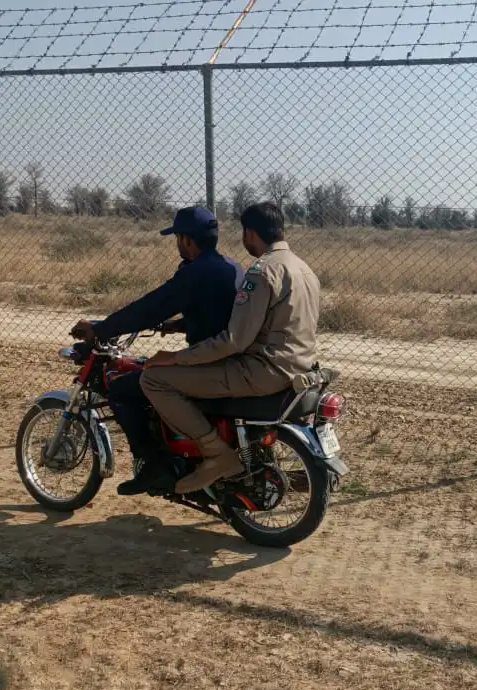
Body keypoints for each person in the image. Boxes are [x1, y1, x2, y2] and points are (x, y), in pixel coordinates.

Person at [140, 201, 321, 494]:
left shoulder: (262, 272)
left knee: (153, 379)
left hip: (261, 371)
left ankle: (216, 454)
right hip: (300, 368)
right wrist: (181, 326)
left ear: (250, 233)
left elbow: (234, 340)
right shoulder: (304, 268)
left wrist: (176, 357)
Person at [69, 205, 244, 496]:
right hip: (228, 358)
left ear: (187, 239)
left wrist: (100, 329)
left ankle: (153, 464)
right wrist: (179, 325)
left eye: (178, 238)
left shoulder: (196, 272)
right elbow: (217, 313)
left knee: (123, 388)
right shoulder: (231, 266)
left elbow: (150, 308)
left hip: (210, 364)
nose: (177, 244)